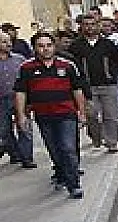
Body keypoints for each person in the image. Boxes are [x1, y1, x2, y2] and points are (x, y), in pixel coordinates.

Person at [14, 32, 89, 198]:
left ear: (54, 46)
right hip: (43, 116)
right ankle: (61, 173)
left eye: (49, 45)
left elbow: (77, 90)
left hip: (66, 114)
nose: (45, 49)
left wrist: (82, 113)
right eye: (41, 46)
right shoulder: (26, 68)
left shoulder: (67, 65)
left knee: (68, 148)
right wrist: (21, 116)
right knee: (54, 150)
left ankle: (74, 184)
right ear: (34, 48)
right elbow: (20, 93)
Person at [72, 15, 118, 152]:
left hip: (108, 85)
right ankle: (96, 136)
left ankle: (112, 142)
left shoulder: (107, 44)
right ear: (81, 26)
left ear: (98, 26)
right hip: (87, 87)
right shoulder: (76, 46)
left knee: (111, 115)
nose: (89, 27)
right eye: (86, 24)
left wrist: (111, 73)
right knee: (91, 115)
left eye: (92, 24)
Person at [0, 32, 35, 168]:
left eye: (9, 41)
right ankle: (15, 153)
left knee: (24, 127)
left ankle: (27, 158)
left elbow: (29, 79)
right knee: (4, 130)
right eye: (4, 41)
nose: (8, 44)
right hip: (2, 100)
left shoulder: (19, 59)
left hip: (21, 97)